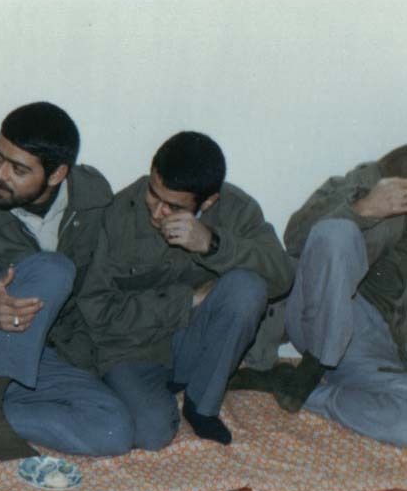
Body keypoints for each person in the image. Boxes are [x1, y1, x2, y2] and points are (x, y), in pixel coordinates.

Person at [0, 102, 133, 461]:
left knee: (113, 428)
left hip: (39, 352)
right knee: (53, 269)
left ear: (57, 174)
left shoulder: (92, 197)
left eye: (19, 169)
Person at [77, 131, 294, 447]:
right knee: (151, 433)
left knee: (247, 288)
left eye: (173, 207)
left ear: (208, 201)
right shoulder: (119, 212)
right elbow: (97, 311)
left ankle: (201, 405)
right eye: (153, 194)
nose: (157, 212)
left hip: (194, 342)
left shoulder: (237, 208)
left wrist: (212, 244)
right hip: (132, 349)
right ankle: (150, 395)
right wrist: (187, 300)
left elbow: (282, 276)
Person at [231, 146, 407, 446]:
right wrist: (362, 208)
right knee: (336, 233)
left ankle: (293, 386)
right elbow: (296, 240)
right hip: (329, 314)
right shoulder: (369, 179)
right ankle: (316, 364)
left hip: (377, 354)